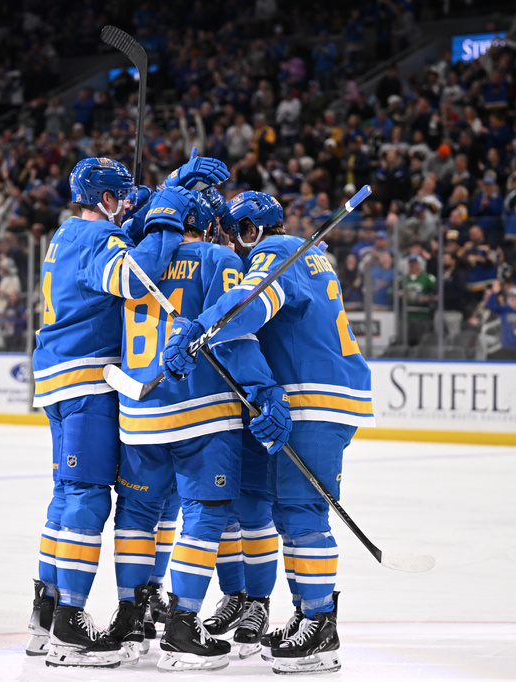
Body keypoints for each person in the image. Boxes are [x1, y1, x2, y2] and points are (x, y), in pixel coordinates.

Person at [161, 190, 376, 675]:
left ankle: (321, 626)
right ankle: (306, 615)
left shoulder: (275, 254)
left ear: (251, 231)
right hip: (323, 393)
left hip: (314, 395)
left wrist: (199, 329)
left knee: (302, 512)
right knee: (291, 510)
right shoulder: (309, 255)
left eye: (235, 233)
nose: (233, 246)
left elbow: (250, 304)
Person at [29, 155, 224, 668]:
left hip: (57, 375)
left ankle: (46, 611)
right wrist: (166, 217)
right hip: (87, 379)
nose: (129, 208)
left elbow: (124, 241)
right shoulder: (99, 240)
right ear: (107, 200)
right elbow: (136, 276)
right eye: (125, 200)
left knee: (66, 495)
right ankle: (70, 624)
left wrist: (172, 187)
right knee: (88, 500)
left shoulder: (68, 233)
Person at [110, 191, 280, 670]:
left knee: (139, 514)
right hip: (200, 412)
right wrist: (263, 391)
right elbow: (235, 332)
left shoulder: (135, 260)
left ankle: (133, 617)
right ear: (207, 225)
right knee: (205, 516)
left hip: (138, 414)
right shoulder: (217, 256)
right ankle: (182, 626)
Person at [483, 282, 516, 360]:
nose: (512, 299)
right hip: (506, 347)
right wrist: (494, 293)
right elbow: (490, 306)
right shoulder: (504, 310)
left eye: (515, 298)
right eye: (510, 297)